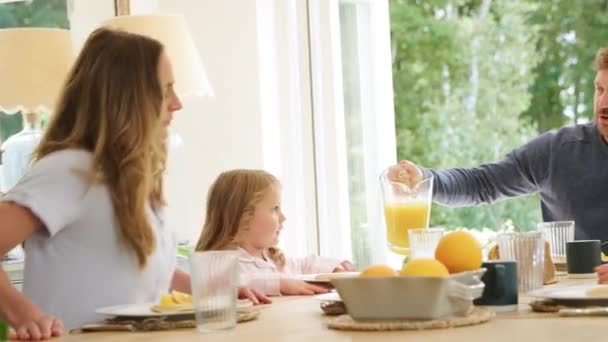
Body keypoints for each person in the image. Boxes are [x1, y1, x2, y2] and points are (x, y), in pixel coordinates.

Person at [0, 28, 268, 341]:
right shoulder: (70, 170)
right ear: (129, 98)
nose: (177, 103)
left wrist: (218, 289)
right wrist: (24, 315)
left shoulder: (132, 180)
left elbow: (138, 272)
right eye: (165, 90)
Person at [388, 47, 608, 284]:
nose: (603, 103)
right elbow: (483, 183)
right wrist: (424, 179)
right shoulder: (559, 151)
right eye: (600, 89)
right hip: (571, 301)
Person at [195, 169, 355, 296]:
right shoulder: (220, 263)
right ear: (242, 216)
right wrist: (280, 284)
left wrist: (334, 269)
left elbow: (304, 265)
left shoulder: (273, 260)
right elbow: (224, 283)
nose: (283, 217)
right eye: (275, 209)